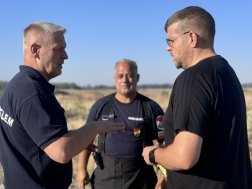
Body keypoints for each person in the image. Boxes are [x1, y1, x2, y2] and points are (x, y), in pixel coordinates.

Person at [0, 22, 124, 189]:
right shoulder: (31, 92)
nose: (65, 56)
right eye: (58, 49)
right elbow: (61, 151)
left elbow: (34, 138)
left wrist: (78, 140)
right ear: (35, 50)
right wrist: (95, 127)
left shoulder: (17, 85)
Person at [142, 6, 252, 189]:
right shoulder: (226, 72)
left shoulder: (193, 78)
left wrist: (153, 154)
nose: (167, 47)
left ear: (191, 38)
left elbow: (184, 157)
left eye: (170, 40)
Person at [77, 59, 165, 189]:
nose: (124, 80)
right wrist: (81, 169)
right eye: (120, 76)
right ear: (114, 78)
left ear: (137, 77)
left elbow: (165, 142)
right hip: (105, 178)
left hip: (141, 178)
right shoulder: (101, 106)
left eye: (129, 75)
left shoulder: (152, 108)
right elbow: (85, 140)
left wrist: (164, 176)